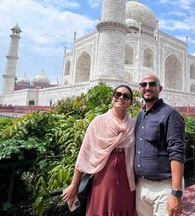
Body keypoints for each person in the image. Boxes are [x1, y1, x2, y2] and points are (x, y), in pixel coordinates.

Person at [62, 85, 136, 215]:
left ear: (130, 102)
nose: (121, 98)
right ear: (112, 98)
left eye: (126, 96)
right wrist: (74, 184)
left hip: (127, 180)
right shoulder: (99, 122)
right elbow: (85, 154)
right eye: (117, 94)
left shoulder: (133, 125)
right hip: (103, 179)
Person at [135, 73, 185, 216]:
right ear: (140, 88)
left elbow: (177, 152)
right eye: (144, 85)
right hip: (142, 186)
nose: (147, 87)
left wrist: (176, 193)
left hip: (164, 187)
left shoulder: (170, 114)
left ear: (160, 88)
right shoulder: (140, 115)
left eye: (152, 84)